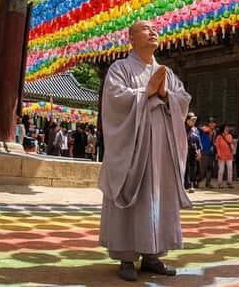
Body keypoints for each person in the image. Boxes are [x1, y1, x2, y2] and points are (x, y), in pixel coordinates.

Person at [98, 20, 191, 282]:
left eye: (154, 29)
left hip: (161, 145)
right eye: (146, 29)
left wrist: (165, 95)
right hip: (133, 145)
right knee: (134, 191)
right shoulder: (120, 68)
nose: (153, 32)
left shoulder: (166, 72)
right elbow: (115, 100)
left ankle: (153, 255)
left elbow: (182, 98)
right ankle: (127, 256)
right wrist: (145, 92)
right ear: (131, 38)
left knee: (157, 195)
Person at [184, 113, 200, 192]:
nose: (194, 121)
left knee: (193, 168)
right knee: (186, 168)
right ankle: (186, 185)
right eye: (192, 120)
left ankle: (192, 184)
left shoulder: (195, 130)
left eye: (194, 120)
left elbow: (198, 142)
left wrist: (199, 151)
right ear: (187, 120)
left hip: (193, 151)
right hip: (185, 151)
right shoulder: (182, 129)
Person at [215, 124, 235, 189]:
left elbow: (232, 144)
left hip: (229, 155)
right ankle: (219, 183)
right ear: (223, 129)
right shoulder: (219, 137)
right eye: (226, 128)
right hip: (221, 155)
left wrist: (232, 147)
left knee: (230, 169)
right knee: (221, 170)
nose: (227, 129)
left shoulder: (230, 136)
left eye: (228, 128)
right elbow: (217, 146)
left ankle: (229, 182)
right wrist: (218, 154)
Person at [199, 120, 217, 188]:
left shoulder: (214, 132)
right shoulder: (204, 130)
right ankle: (197, 181)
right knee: (203, 169)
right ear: (208, 124)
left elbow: (213, 141)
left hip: (211, 152)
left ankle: (208, 183)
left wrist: (213, 146)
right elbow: (198, 131)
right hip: (204, 151)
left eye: (213, 123)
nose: (212, 124)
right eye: (211, 123)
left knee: (210, 168)